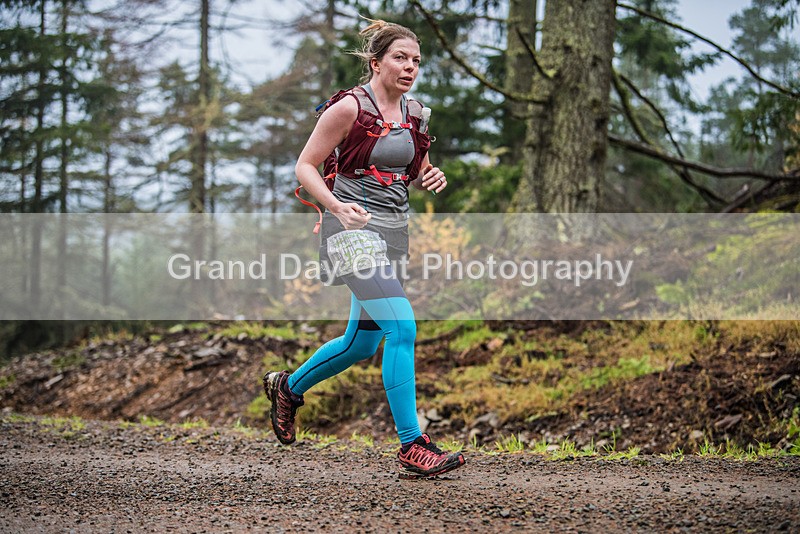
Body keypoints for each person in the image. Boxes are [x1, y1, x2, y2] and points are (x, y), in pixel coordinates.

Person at [263, 19, 465, 478]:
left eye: (415, 60)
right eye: (400, 57)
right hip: (350, 232)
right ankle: (413, 443)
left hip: (392, 232)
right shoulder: (349, 108)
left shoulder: (416, 114)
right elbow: (305, 167)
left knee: (361, 342)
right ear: (375, 63)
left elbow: (415, 168)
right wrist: (336, 205)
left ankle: (288, 388)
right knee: (403, 327)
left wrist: (430, 176)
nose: (409, 66)